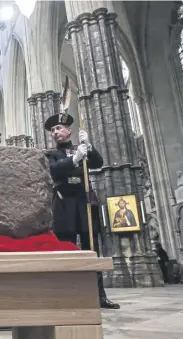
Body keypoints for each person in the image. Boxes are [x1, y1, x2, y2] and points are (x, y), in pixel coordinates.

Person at [43, 112, 120, 309]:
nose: (55, 132)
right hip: (63, 205)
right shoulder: (51, 154)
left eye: (59, 128)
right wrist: (74, 159)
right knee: (64, 250)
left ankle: (99, 296)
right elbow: (54, 171)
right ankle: (66, 296)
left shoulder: (82, 149)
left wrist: (90, 148)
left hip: (84, 203)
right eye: (53, 130)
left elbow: (98, 163)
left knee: (92, 249)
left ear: (69, 131)